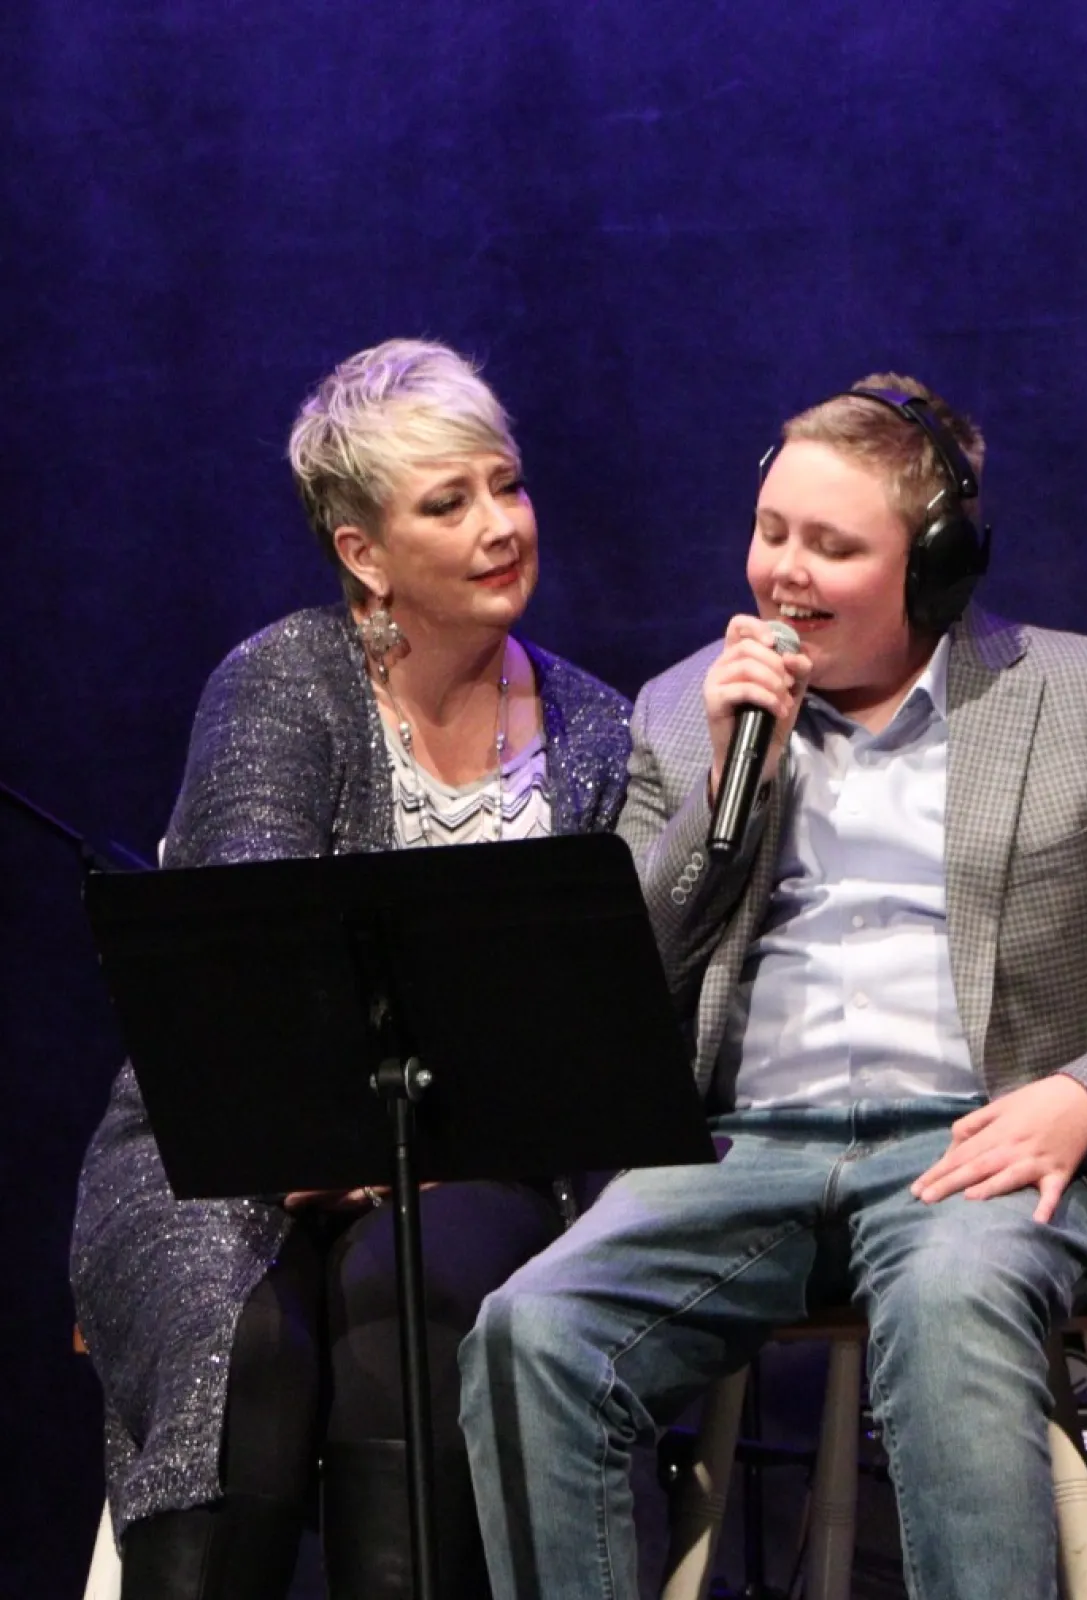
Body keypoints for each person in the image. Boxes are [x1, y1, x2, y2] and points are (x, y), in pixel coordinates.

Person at [460, 375, 1087, 1598]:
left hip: (974, 1151)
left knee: (949, 1303)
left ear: (934, 568)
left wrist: (1083, 1098)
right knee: (530, 1333)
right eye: (771, 531)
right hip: (738, 1156)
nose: (782, 573)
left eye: (831, 546)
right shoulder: (684, 713)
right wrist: (723, 805)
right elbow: (608, 998)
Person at [69, 339, 633, 1599]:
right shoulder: (285, 682)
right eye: (450, 503)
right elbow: (233, 985)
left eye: (508, 485)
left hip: (478, 1157)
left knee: (410, 1300)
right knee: (244, 1333)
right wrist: (313, 1144)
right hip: (217, 1155)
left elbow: (596, 1020)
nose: (500, 526)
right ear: (361, 552)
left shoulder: (595, 727)